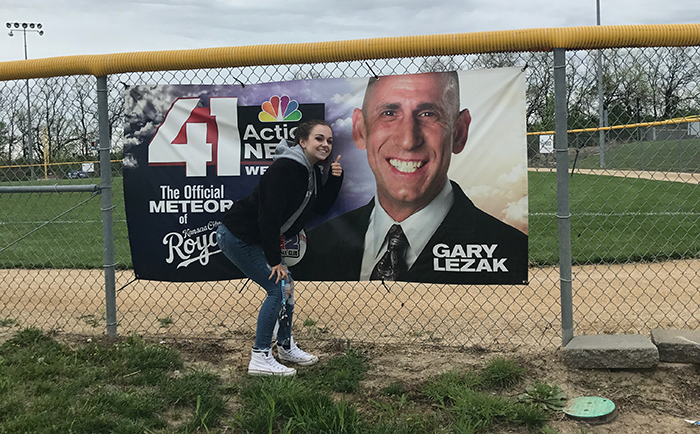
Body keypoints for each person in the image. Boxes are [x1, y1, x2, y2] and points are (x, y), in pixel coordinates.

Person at [292, 72, 527, 285]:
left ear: (459, 132)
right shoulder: (316, 245)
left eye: (428, 114)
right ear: (360, 130)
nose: (408, 140)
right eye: (389, 113)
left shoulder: (511, 249)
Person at [217, 119, 343, 376]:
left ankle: (285, 346)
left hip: (257, 238)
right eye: (319, 139)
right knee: (278, 288)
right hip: (238, 235)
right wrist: (275, 260)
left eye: (329, 140)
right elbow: (268, 217)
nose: (326, 144)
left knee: (287, 288)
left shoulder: (312, 170)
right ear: (303, 141)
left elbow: (319, 208)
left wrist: (335, 179)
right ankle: (260, 356)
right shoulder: (285, 169)